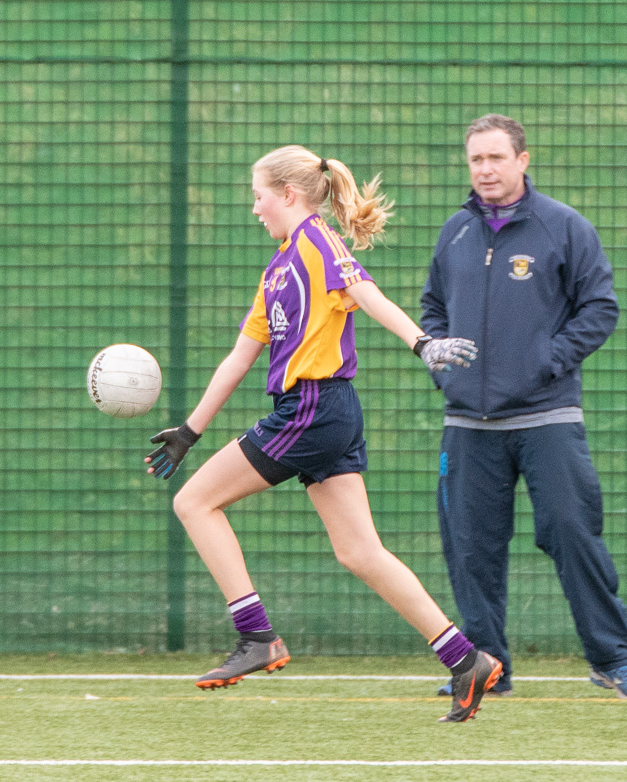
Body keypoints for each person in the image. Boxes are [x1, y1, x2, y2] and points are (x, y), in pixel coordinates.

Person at [146, 145, 502, 723]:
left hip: (313, 406)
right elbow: (240, 356)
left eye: (258, 195)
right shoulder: (278, 266)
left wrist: (422, 343)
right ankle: (466, 661)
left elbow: (366, 293)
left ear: (288, 194)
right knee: (360, 552)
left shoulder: (315, 240)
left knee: (194, 502)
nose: (254, 208)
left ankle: (255, 636)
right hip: (324, 410)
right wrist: (190, 429)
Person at [421, 114, 627, 700]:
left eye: (496, 158)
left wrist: (546, 360)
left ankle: (613, 660)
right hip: (467, 425)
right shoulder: (454, 233)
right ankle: (486, 669)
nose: (486, 170)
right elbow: (431, 310)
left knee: (573, 533)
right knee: (471, 548)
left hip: (547, 417)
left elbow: (599, 308)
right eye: (476, 159)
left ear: (523, 160)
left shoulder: (563, 228)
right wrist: (441, 360)